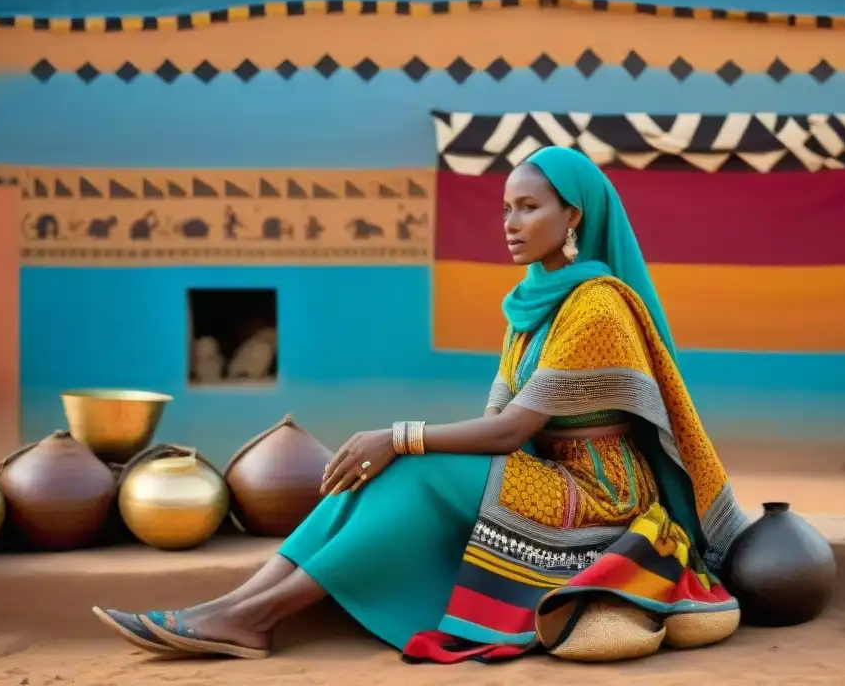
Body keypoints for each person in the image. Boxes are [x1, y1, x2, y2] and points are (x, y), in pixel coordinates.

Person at [92, 146, 748, 664]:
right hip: (546, 474)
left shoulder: (597, 304)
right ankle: (233, 605)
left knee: (412, 461)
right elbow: (501, 426)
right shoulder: (532, 302)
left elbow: (512, 429)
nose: (511, 224)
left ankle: (252, 619)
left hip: (601, 492)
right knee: (388, 466)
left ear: (573, 215)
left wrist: (400, 435)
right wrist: (397, 445)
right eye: (505, 210)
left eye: (528, 208)